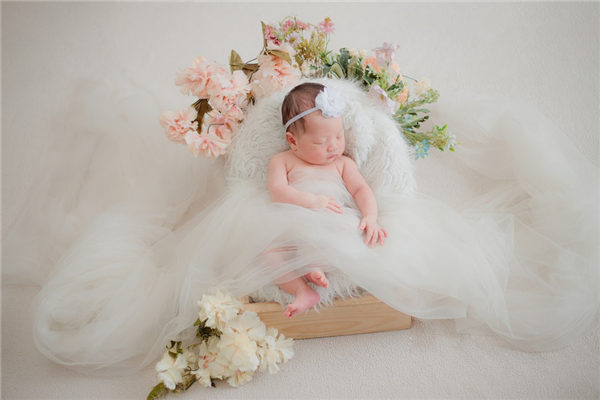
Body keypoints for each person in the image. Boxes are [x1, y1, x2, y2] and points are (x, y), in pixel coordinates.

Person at [266, 82, 388, 318]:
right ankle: (302, 290)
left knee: (337, 234)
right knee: (269, 254)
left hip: (334, 221)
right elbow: (277, 191)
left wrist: (371, 216)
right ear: (293, 141)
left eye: (339, 136)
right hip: (293, 221)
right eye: (321, 142)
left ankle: (314, 266)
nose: (333, 146)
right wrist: (311, 201)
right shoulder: (283, 161)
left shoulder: (343, 163)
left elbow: (361, 189)